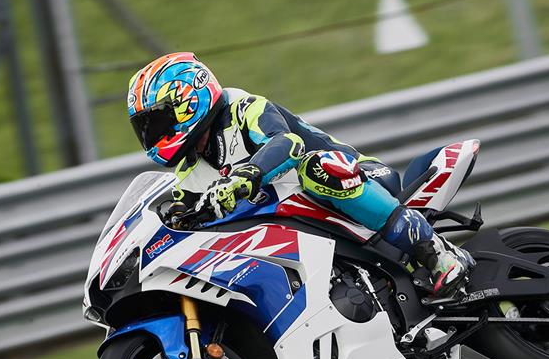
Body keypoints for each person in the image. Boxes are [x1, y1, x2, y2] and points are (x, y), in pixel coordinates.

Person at [127, 52, 474, 296]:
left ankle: (436, 254)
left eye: (156, 121)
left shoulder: (244, 109)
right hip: (295, 217)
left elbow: (287, 144)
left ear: (189, 101)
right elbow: (181, 216)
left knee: (316, 169)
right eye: (145, 127)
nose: (152, 133)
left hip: (356, 176)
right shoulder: (189, 171)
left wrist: (246, 176)